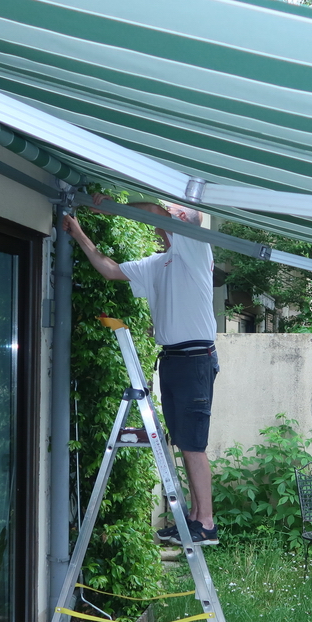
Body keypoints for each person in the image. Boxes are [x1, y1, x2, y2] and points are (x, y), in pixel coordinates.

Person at [62, 199, 220, 547]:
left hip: (195, 358)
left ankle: (206, 523)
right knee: (183, 441)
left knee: (193, 444)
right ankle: (195, 518)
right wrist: (79, 233)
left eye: (173, 211)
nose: (166, 215)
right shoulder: (157, 263)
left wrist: (109, 208)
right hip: (174, 359)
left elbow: (154, 211)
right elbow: (110, 269)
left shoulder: (194, 246)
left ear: (181, 218)